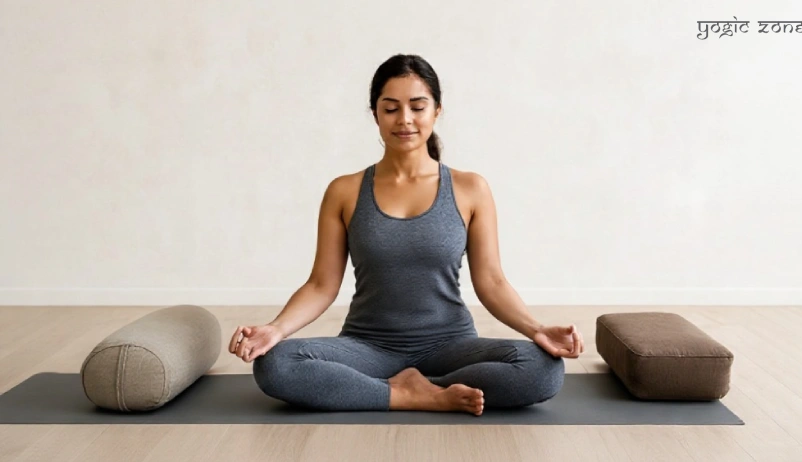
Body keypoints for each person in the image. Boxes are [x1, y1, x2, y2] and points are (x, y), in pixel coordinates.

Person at [228, 54, 585, 416]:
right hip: (367, 347)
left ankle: (386, 391)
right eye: (391, 109)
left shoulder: (469, 188)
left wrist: (537, 329)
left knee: (542, 370)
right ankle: (413, 395)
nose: (405, 120)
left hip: (451, 347)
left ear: (437, 111)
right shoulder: (345, 191)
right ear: (375, 115)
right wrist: (275, 329)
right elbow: (321, 285)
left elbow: (491, 281)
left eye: (417, 107)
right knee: (275, 363)